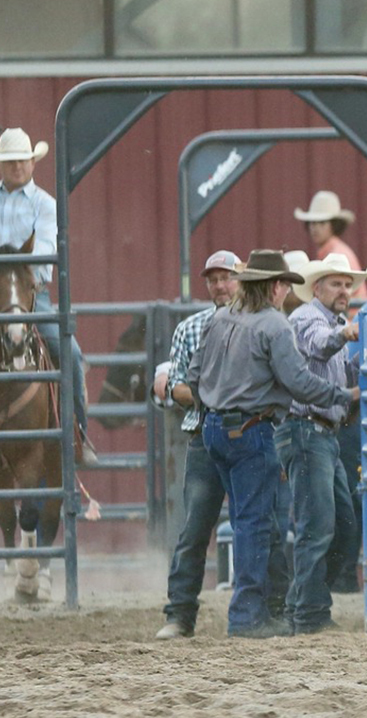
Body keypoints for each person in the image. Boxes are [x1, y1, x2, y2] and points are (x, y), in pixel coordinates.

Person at [189, 250, 356, 638]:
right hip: (252, 429)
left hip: (214, 429)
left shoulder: (220, 319)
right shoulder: (274, 325)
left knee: (251, 522)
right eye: (285, 285)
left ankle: (270, 608)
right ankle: (247, 617)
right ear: (277, 286)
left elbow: (195, 375)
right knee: (255, 525)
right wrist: (343, 396)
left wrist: (215, 402)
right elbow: (298, 382)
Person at [152, 250, 240, 638]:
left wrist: (204, 392)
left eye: (226, 278)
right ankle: (180, 614)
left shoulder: (255, 323)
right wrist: (213, 396)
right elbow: (174, 388)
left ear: (240, 280)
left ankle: (263, 608)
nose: (220, 286)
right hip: (205, 431)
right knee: (195, 528)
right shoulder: (189, 328)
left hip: (242, 431)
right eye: (213, 279)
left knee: (257, 523)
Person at [278, 252, 364, 635]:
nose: (344, 290)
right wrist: (345, 335)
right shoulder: (307, 319)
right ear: (317, 288)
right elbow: (318, 345)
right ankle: (310, 614)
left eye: (347, 284)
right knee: (319, 525)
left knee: (343, 524)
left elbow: (344, 373)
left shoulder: (336, 324)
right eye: (336, 284)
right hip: (305, 429)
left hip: (323, 432)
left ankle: (302, 601)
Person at [0, 127, 95, 462]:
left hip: (30, 293)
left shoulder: (45, 205)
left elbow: (43, 258)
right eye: (10, 161)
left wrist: (17, 272)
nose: (16, 167)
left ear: (32, 163)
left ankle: (78, 435)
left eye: (22, 160)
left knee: (67, 352)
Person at [295, 190, 367, 298]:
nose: (315, 228)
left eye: (322, 223)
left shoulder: (338, 254)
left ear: (334, 225)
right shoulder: (332, 250)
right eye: (312, 223)